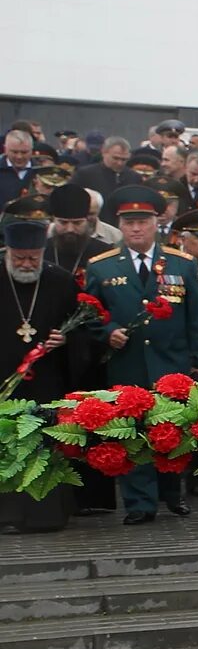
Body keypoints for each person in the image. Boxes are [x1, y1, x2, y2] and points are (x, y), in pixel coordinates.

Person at [80, 186, 198, 524]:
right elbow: (90, 313)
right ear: (120, 225)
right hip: (128, 363)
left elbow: (196, 317)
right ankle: (140, 502)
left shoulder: (181, 263)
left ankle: (172, 494)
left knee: (171, 430)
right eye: (129, 223)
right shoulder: (102, 267)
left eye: (143, 222)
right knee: (132, 432)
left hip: (171, 363)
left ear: (157, 222)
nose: (136, 229)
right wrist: (108, 334)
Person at [0, 209, 79, 533]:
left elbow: (82, 331)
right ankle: (6, 515)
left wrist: (67, 338)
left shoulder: (59, 279)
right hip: (3, 380)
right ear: (8, 252)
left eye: (33, 258)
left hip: (47, 381)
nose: (27, 264)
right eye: (20, 258)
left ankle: (45, 516)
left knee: (44, 447)